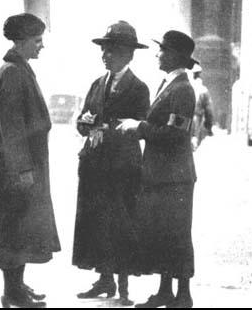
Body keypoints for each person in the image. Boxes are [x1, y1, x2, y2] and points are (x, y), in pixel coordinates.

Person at [0, 13, 61, 308]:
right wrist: (22, 169)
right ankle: (12, 293)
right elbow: (12, 128)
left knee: (21, 230)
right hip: (17, 171)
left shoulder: (19, 69)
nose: (41, 46)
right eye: (38, 41)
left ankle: (18, 287)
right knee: (13, 231)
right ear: (23, 41)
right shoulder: (12, 73)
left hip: (23, 169)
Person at [117, 30, 197, 308]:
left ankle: (183, 295)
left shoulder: (183, 89)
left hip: (174, 177)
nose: (157, 54)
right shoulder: (170, 85)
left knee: (177, 233)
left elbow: (175, 133)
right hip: (163, 175)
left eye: (162, 50)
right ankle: (166, 292)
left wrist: (138, 127)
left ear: (175, 56)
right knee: (163, 232)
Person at [72, 21, 150, 306]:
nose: (105, 54)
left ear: (128, 54)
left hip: (122, 168)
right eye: (104, 49)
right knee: (97, 223)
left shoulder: (139, 88)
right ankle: (104, 279)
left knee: (122, 222)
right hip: (95, 165)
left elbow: (139, 125)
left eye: (112, 50)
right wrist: (85, 124)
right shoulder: (97, 83)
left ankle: (124, 284)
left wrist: (102, 129)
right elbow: (84, 119)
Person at [189, 63, 214, 151]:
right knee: (195, 141)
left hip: (183, 119)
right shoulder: (203, 90)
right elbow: (209, 110)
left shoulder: (185, 87)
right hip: (196, 119)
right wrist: (209, 126)